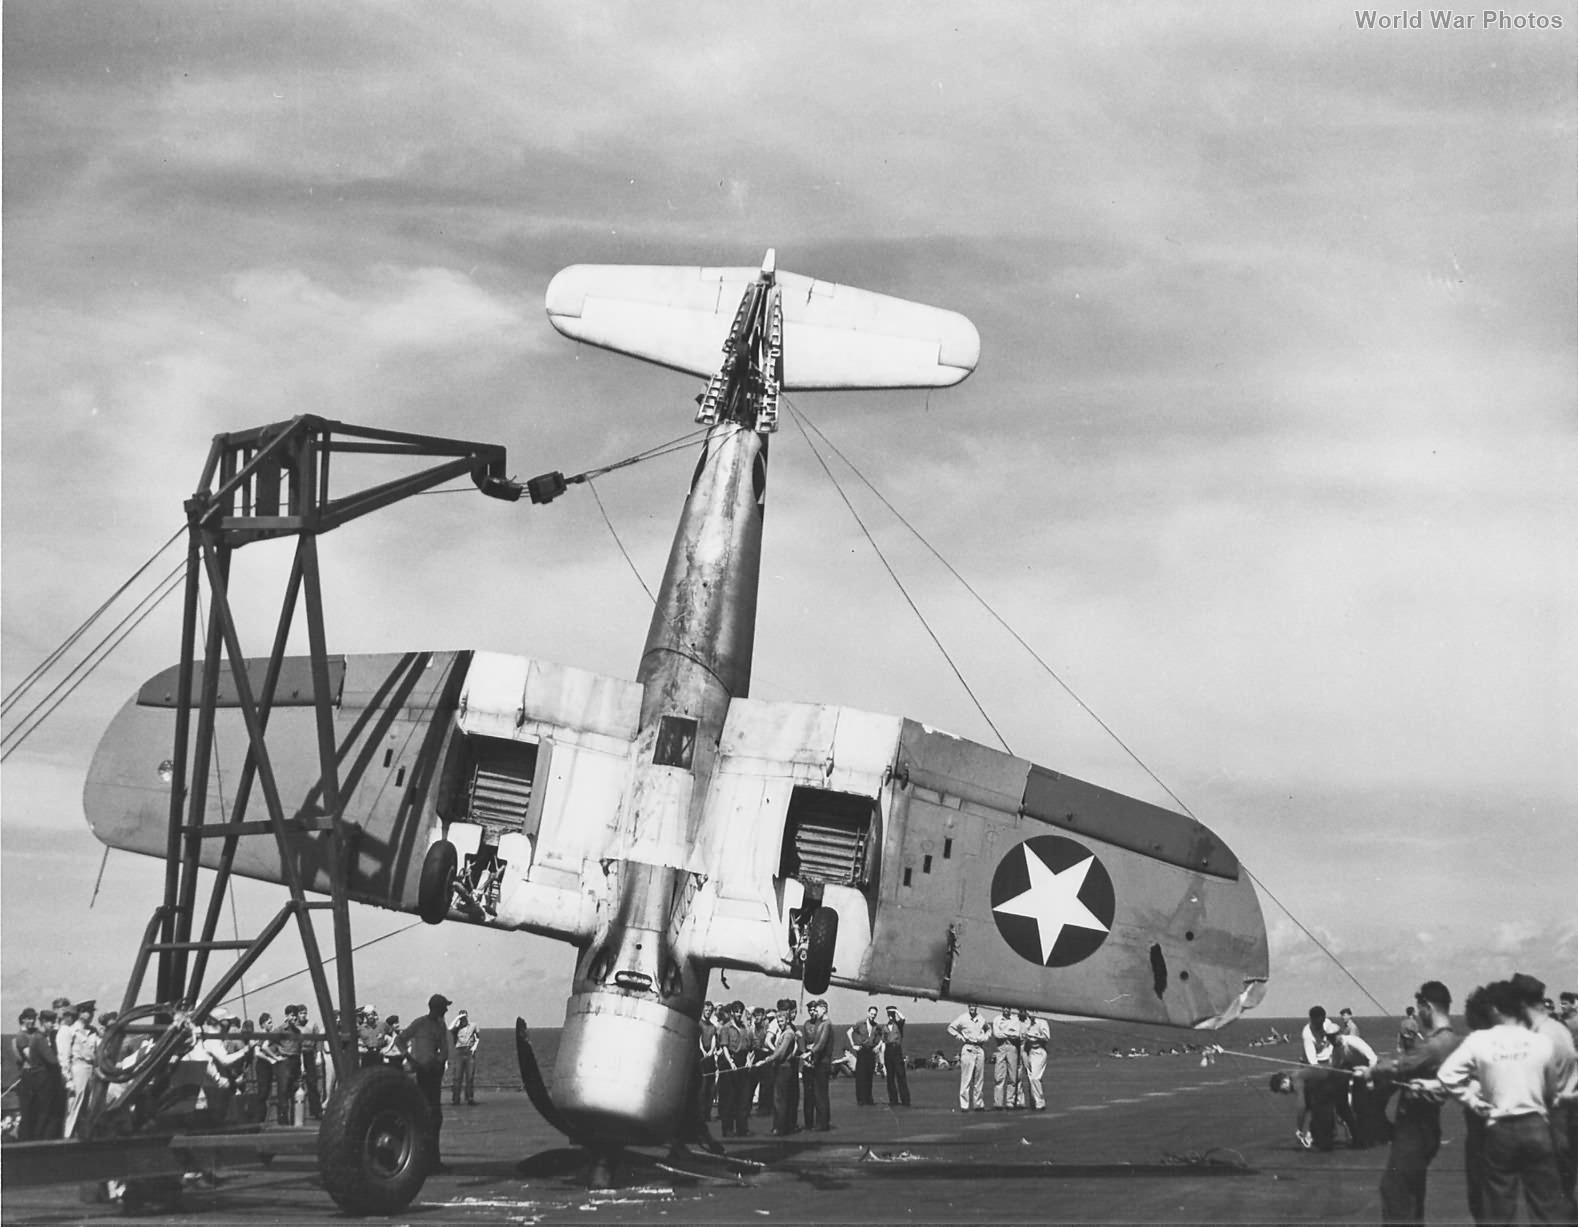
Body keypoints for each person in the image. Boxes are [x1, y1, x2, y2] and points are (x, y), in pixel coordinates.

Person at [1436, 979, 1572, 1224]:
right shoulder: (1540, 1041)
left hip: (1499, 1127)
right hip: (1536, 1125)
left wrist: (1473, 1101)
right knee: (1546, 1206)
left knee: (1498, 1207)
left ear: (1495, 1009)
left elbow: (1447, 1075)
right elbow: (1551, 1087)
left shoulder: (1479, 1039)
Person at [1359, 980, 1462, 1225]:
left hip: (1414, 1130)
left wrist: (1369, 1071)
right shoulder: (1452, 1041)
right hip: (1427, 1128)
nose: (1417, 1014)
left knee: (1395, 1192)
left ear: (1427, 1007)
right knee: (1412, 1194)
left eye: (1419, 1008)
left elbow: (1400, 1064)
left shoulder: (1435, 1044)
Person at [1510, 972, 1578, 1207]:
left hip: (1546, 1119)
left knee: (1547, 1196)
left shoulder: (1539, 1036)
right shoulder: (1560, 1029)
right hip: (1564, 1114)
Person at [396, 994, 455, 1171]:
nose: (446, 1010)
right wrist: (410, 1059)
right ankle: (425, 1161)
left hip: (433, 1073)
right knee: (426, 1115)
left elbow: (444, 1048)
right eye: (444, 1007)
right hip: (422, 1072)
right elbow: (400, 1040)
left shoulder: (440, 1025)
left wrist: (440, 1061)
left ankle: (433, 1161)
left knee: (435, 1117)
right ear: (437, 1008)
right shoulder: (420, 1023)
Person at [1271, 1063, 1356, 1152]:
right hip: (1336, 1077)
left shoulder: (1296, 1078)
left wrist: (1299, 1129)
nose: (1285, 1093)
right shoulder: (1300, 1078)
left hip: (1334, 1078)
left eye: (1282, 1090)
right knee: (1341, 1110)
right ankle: (1354, 1137)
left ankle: (1325, 1141)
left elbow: (1302, 1107)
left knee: (1327, 1109)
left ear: (1284, 1081)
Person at [715, 1001, 754, 1138]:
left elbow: (749, 1047)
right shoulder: (726, 1028)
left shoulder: (745, 1028)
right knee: (729, 1098)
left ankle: (742, 1128)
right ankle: (728, 1129)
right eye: (736, 1011)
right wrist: (730, 1062)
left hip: (742, 1061)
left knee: (743, 1098)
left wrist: (748, 1060)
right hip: (730, 1061)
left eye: (740, 1012)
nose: (738, 1014)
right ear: (732, 1012)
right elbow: (724, 1046)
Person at [64, 1000, 101, 1136]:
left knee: (88, 1104)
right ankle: (68, 1136)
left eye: (92, 1012)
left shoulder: (93, 1031)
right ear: (80, 1013)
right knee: (75, 1103)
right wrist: (68, 1079)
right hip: (78, 1067)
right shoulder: (72, 1031)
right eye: (88, 1012)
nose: (91, 1015)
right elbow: (64, 1057)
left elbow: (100, 1048)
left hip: (90, 1068)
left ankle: (82, 1136)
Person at [765, 998, 801, 1136]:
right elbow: (767, 1041)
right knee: (781, 1097)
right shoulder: (778, 1025)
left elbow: (790, 1046)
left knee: (786, 1097)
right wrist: (778, 1052)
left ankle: (785, 1125)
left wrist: (787, 1053)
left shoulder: (789, 1029)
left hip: (786, 1064)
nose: (791, 1014)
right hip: (782, 1064)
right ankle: (781, 1125)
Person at [30, 1009, 67, 1138]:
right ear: (42, 1022)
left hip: (44, 1079)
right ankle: (41, 1141)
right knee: (45, 1112)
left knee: (47, 1111)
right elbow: (52, 1060)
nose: (52, 1024)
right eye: (49, 1021)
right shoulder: (40, 1038)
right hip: (44, 1080)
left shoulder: (42, 1037)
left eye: (53, 1021)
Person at [947, 1003, 991, 1111]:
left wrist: (985, 1037)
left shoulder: (981, 1018)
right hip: (968, 1048)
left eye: (974, 1006)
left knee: (979, 1079)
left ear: (977, 1007)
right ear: (968, 1007)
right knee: (966, 1078)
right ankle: (964, 1105)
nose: (972, 1008)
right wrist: (959, 1036)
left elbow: (988, 1029)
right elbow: (951, 1028)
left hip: (979, 1048)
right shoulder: (963, 1018)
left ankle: (978, 1104)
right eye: (971, 1006)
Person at [800, 998, 833, 1132]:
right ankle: (822, 1122)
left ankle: (822, 1124)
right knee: (819, 1093)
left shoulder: (826, 1024)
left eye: (817, 1009)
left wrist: (810, 1053)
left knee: (820, 1094)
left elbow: (821, 1044)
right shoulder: (822, 1024)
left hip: (822, 1063)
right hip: (819, 1062)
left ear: (823, 1009)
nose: (815, 1011)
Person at [13, 1008, 43, 1141]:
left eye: (34, 1018)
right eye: (29, 1018)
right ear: (24, 1019)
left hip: (38, 1074)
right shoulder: (21, 1036)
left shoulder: (35, 1033)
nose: (32, 1021)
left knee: (37, 1109)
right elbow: (31, 1056)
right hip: (28, 1075)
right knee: (27, 1110)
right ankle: (24, 1139)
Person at [847, 1005, 881, 1107]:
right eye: (871, 1014)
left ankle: (868, 1098)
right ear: (868, 1013)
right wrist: (853, 1045)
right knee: (860, 1076)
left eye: (875, 1014)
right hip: (862, 1050)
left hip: (871, 1051)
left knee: (869, 1075)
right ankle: (860, 1099)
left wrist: (878, 1047)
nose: (873, 1016)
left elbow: (883, 1036)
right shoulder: (860, 1024)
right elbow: (849, 1032)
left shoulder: (876, 1026)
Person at [1020, 1009, 1051, 1111]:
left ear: (1036, 1012)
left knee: (1035, 1077)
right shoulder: (1027, 1024)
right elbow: (1023, 1038)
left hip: (1040, 1051)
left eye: (1032, 1011)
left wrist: (1035, 1036)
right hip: (1030, 1051)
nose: (1030, 1014)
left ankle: (1040, 1103)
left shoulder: (1042, 1022)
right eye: (1028, 1012)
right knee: (1030, 1077)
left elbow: (1047, 1037)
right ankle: (1034, 1102)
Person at [992, 1005, 1022, 1109]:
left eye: (1008, 1008)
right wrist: (1009, 1032)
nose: (1006, 1010)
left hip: (1012, 1047)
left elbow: (1017, 1034)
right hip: (1000, 1048)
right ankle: (998, 1103)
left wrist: (1004, 1032)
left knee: (1012, 1076)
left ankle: (1010, 1101)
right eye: (1004, 1007)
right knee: (998, 1076)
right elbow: (997, 1034)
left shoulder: (1015, 1020)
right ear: (1002, 1008)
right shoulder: (997, 1019)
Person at [450, 1009, 480, 1106]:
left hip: (469, 1051)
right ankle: (456, 1099)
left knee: (470, 1076)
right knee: (457, 1077)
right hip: (459, 1051)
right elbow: (450, 1028)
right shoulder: (456, 1028)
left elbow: (477, 1037)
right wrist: (458, 1018)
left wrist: (475, 1046)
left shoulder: (473, 1025)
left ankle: (469, 1098)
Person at [882, 1005, 910, 1107]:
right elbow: (883, 1042)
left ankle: (905, 1100)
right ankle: (893, 1100)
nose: (890, 1016)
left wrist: (896, 1011)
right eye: (889, 1014)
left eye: (892, 1014)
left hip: (897, 1050)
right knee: (890, 1077)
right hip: (888, 1051)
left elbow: (903, 1018)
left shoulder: (898, 1024)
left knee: (901, 1075)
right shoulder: (885, 1027)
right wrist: (882, 1059)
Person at [697, 1002, 718, 1124]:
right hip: (701, 1056)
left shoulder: (713, 1027)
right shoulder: (699, 1024)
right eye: (706, 1010)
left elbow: (714, 1040)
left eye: (710, 1011)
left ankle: (707, 1113)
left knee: (710, 1087)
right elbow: (699, 1039)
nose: (708, 1012)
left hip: (710, 1058)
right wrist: (703, 1051)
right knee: (702, 1087)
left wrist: (711, 1051)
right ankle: (700, 1114)